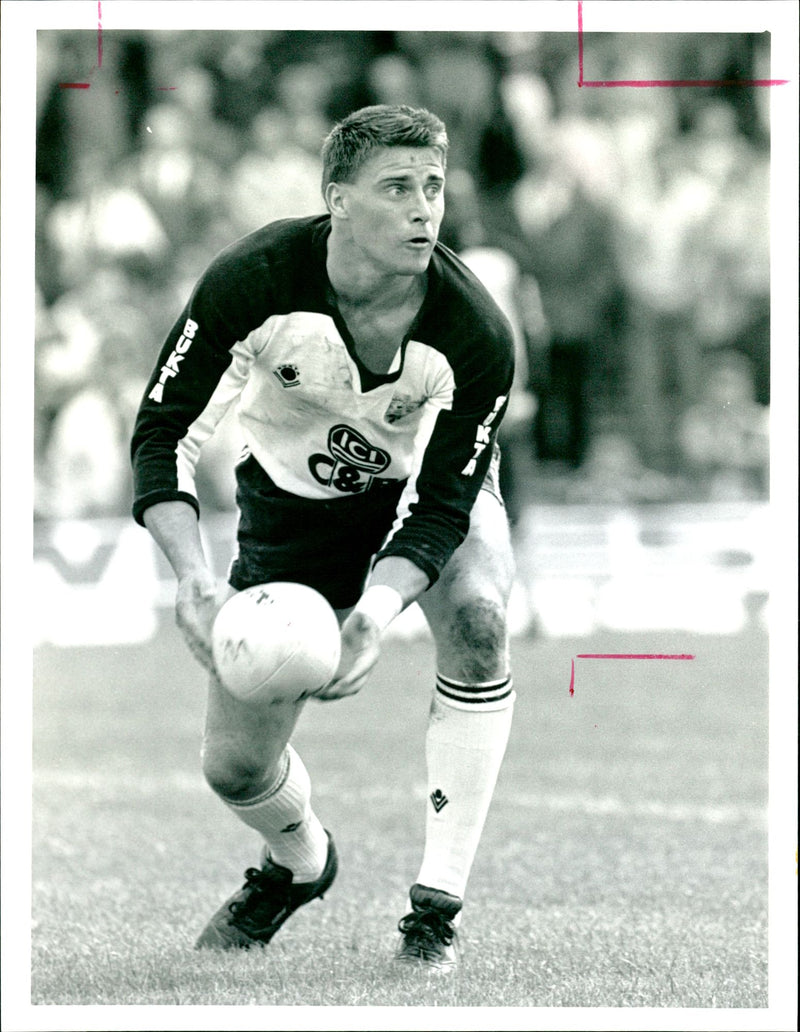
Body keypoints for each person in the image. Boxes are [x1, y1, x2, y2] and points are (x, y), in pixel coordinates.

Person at [131, 104, 516, 973]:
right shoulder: (254, 280)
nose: (425, 209)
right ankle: (299, 865)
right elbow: (164, 434)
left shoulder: (475, 332)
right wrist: (194, 579)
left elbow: (445, 504)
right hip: (292, 513)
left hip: (419, 504)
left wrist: (378, 610)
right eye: (396, 189)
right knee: (234, 770)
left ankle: (436, 909)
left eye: (433, 187)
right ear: (337, 199)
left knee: (483, 617)